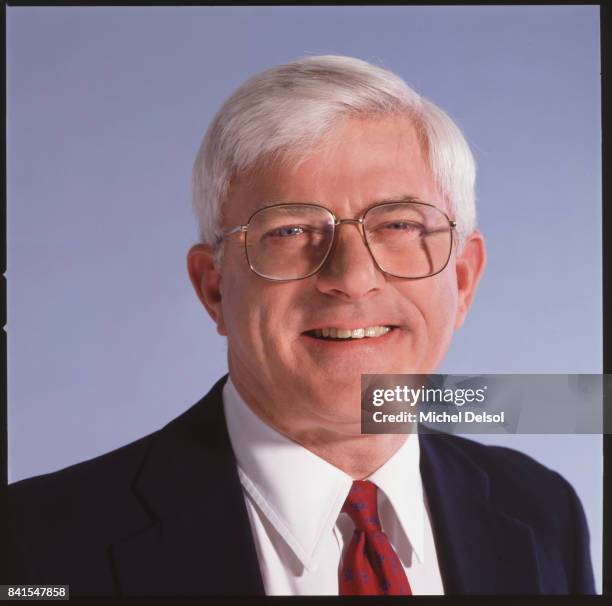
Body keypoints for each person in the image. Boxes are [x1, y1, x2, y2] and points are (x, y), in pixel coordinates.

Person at [3, 55, 595, 596]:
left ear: (462, 281)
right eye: (289, 231)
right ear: (213, 287)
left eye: (399, 225)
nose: (353, 277)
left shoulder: (542, 510)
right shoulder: (32, 546)